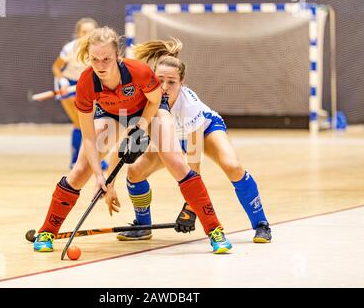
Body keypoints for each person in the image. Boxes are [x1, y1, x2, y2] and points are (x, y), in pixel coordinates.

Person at [34, 27, 232, 254]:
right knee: (81, 171)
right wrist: (101, 177)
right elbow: (88, 137)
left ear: (118, 56)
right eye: (95, 59)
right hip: (112, 115)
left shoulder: (139, 71)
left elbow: (155, 101)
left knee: (177, 164)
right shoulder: (86, 83)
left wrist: (140, 128)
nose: (101, 65)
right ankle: (47, 231)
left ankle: (215, 231)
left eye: (107, 59)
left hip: (150, 111)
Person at [116, 38, 272, 243]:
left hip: (205, 131)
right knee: (135, 171)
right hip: (171, 139)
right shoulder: (147, 98)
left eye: (171, 82)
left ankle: (261, 224)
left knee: (232, 166)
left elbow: (193, 166)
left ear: (182, 83)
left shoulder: (189, 107)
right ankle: (143, 225)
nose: (164, 87)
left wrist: (191, 207)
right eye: (160, 79)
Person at [51, 17, 107, 170]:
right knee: (80, 123)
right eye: (84, 31)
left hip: (86, 85)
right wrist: (62, 81)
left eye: (90, 31)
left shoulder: (101, 49)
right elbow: (56, 67)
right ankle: (76, 161)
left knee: (94, 123)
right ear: (78, 33)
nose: (87, 34)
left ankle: (96, 159)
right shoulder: (70, 48)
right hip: (67, 85)